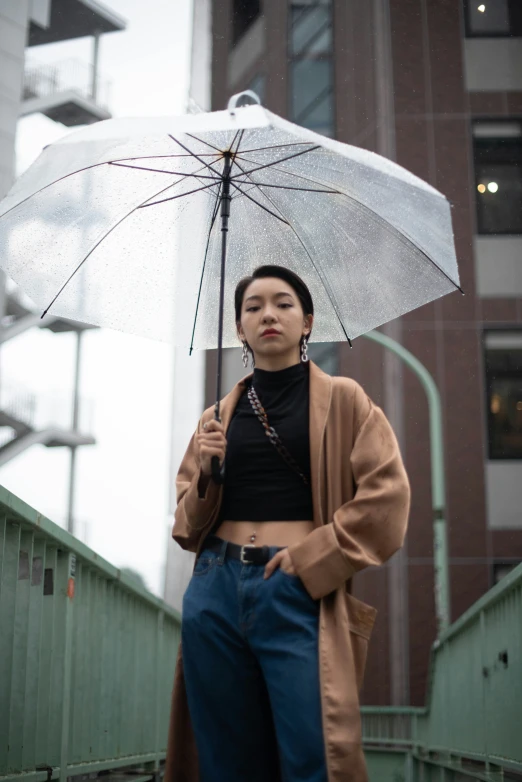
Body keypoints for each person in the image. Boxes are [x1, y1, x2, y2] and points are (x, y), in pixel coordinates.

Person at [165, 265, 411, 782]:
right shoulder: (217, 416)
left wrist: (311, 559)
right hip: (215, 588)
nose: (267, 315)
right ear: (239, 330)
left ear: (307, 322)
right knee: (224, 758)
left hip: (297, 587)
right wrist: (208, 472)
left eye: (282, 304)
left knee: (314, 752)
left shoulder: (346, 400)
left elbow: (387, 500)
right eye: (252, 308)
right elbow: (187, 527)